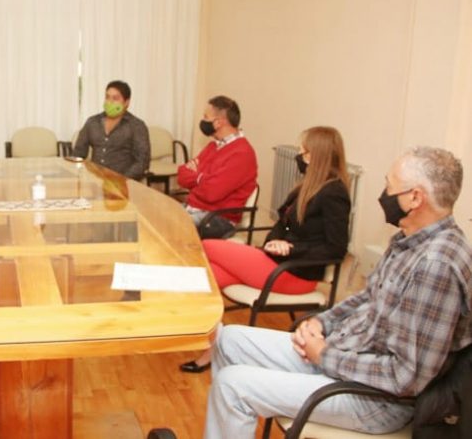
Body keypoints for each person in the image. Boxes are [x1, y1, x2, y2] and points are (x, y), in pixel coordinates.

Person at [202, 146, 472, 438]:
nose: (384, 194)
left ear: (415, 198)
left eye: (389, 186)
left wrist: (324, 355)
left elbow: (405, 377)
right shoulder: (409, 240)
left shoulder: (436, 266)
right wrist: (321, 322)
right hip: (344, 355)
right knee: (228, 339)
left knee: (232, 385)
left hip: (374, 399)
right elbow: (367, 297)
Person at [181, 126, 350, 373]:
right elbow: (283, 224)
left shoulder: (334, 192)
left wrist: (291, 249)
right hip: (275, 262)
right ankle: (213, 348)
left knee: (206, 245)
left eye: (304, 152)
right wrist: (274, 242)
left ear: (319, 155)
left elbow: (336, 248)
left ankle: (214, 346)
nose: (300, 157)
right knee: (210, 276)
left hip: (296, 274)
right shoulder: (306, 186)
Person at [176, 96, 258, 238]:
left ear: (218, 122)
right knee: (151, 219)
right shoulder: (213, 145)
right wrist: (203, 178)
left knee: (166, 230)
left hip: (217, 218)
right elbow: (182, 175)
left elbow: (211, 193)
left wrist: (197, 176)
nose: (203, 121)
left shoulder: (242, 153)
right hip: (195, 209)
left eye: (206, 117)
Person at [73, 80, 150, 180]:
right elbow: (78, 153)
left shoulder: (136, 126)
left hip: (124, 183)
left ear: (126, 102)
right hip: (95, 181)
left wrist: (122, 180)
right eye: (107, 97)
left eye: (115, 98)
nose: (110, 102)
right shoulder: (92, 122)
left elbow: (142, 161)